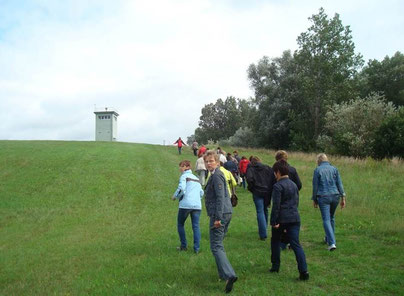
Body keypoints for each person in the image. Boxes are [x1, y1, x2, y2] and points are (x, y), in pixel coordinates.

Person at [204, 151, 238, 293]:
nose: (208, 163)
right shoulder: (215, 174)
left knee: (216, 246)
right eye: (207, 161)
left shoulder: (217, 175)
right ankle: (223, 274)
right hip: (226, 212)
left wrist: (218, 218)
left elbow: (220, 198)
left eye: (211, 161)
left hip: (221, 213)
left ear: (218, 162)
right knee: (218, 244)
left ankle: (229, 275)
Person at [269, 160, 309, 281]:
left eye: (275, 173)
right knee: (296, 244)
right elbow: (296, 202)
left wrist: (274, 222)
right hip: (295, 218)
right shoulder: (294, 185)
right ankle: (304, 271)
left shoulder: (277, 186)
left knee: (275, 241)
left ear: (278, 172)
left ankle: (275, 266)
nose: (274, 175)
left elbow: (276, 205)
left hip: (281, 219)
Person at [312, 153, 346, 251]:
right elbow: (339, 183)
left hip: (323, 196)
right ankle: (328, 238)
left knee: (326, 219)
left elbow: (315, 186)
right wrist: (343, 197)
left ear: (318, 161)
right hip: (335, 196)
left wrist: (314, 199)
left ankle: (332, 243)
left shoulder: (317, 170)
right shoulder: (334, 169)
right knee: (331, 217)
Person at [172, 160, 204, 253]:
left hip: (185, 205)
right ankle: (196, 249)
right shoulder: (196, 178)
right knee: (196, 226)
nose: (180, 168)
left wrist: (175, 196)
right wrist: (197, 200)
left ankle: (183, 246)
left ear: (187, 167)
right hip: (197, 205)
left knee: (180, 224)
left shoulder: (184, 176)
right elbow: (201, 192)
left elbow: (181, 188)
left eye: (181, 166)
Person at [274, 150, 302, 250]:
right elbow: (299, 184)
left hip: (281, 197)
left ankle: (283, 242)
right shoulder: (292, 169)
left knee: (282, 221)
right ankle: (291, 241)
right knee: (292, 220)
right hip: (293, 198)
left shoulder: (276, 170)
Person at [246, 156, 275, 240]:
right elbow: (273, 178)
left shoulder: (251, 169)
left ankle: (263, 234)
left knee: (260, 211)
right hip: (267, 191)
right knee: (265, 209)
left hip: (257, 191)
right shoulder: (267, 168)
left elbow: (249, 179)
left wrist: (251, 188)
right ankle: (264, 229)